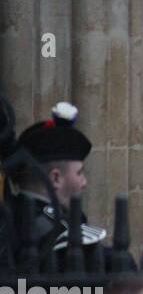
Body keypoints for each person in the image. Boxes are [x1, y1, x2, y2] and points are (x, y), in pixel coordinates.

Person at [4, 102, 108, 266]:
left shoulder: (11, 214)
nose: (84, 182)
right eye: (79, 173)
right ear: (55, 178)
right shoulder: (49, 228)